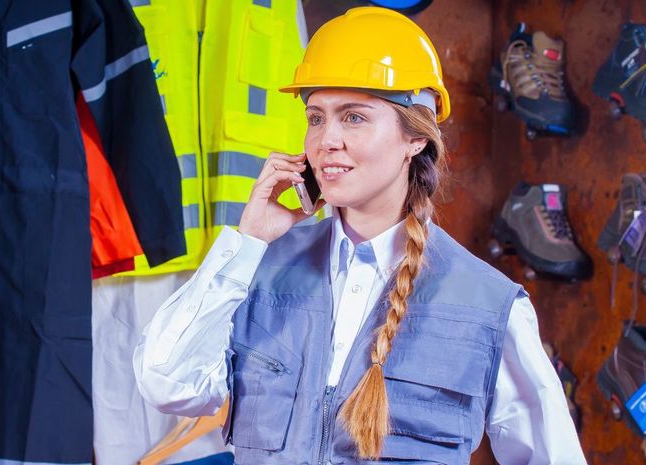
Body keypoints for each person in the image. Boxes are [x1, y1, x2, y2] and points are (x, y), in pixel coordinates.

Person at [134, 7, 586, 465]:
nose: (326, 139)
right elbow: (166, 384)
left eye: (353, 118)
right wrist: (248, 241)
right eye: (315, 117)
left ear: (416, 138)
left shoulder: (489, 306)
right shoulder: (257, 271)